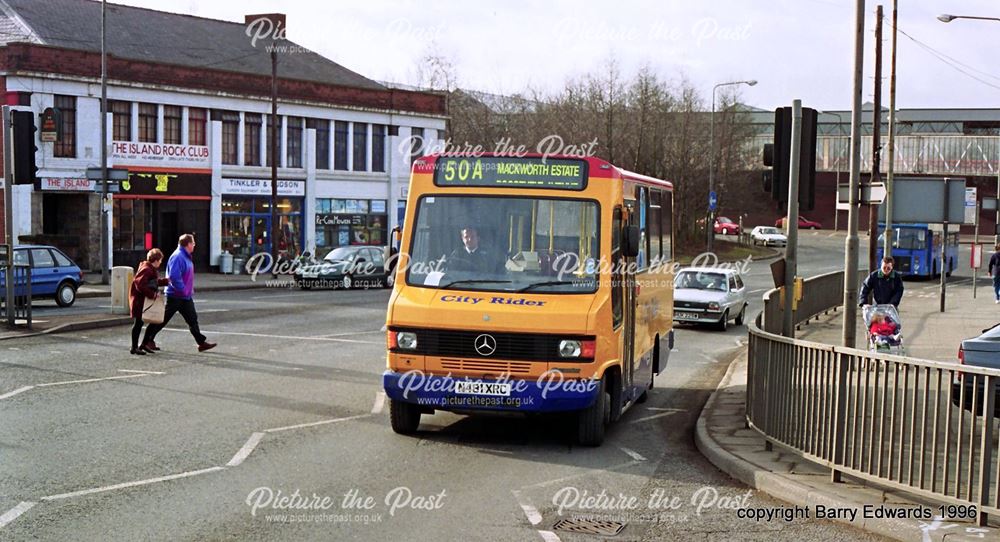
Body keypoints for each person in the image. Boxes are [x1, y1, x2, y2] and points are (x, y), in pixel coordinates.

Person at [141, 233, 217, 352]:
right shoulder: (178, 256)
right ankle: (147, 340)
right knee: (162, 319)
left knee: (192, 319)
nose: (194, 245)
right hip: (175, 295)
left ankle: (201, 343)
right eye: (193, 243)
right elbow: (175, 277)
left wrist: (186, 291)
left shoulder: (185, 256)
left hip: (185, 296)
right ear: (188, 244)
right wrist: (183, 289)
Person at [128, 248, 170, 355]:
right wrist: (152, 294)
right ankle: (135, 347)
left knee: (152, 321)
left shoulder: (149, 268)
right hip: (140, 300)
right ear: (155, 260)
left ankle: (143, 344)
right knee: (138, 323)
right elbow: (140, 284)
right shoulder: (147, 269)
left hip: (143, 300)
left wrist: (165, 281)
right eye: (160, 260)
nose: (160, 262)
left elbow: (152, 282)